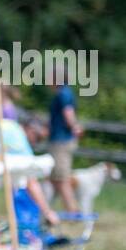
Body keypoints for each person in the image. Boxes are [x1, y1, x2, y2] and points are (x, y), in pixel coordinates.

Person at [47, 66, 83, 211]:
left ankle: (73, 211)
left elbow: (68, 114)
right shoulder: (64, 93)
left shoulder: (63, 94)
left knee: (61, 178)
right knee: (56, 178)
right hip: (59, 140)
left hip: (61, 142)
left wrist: (74, 126)